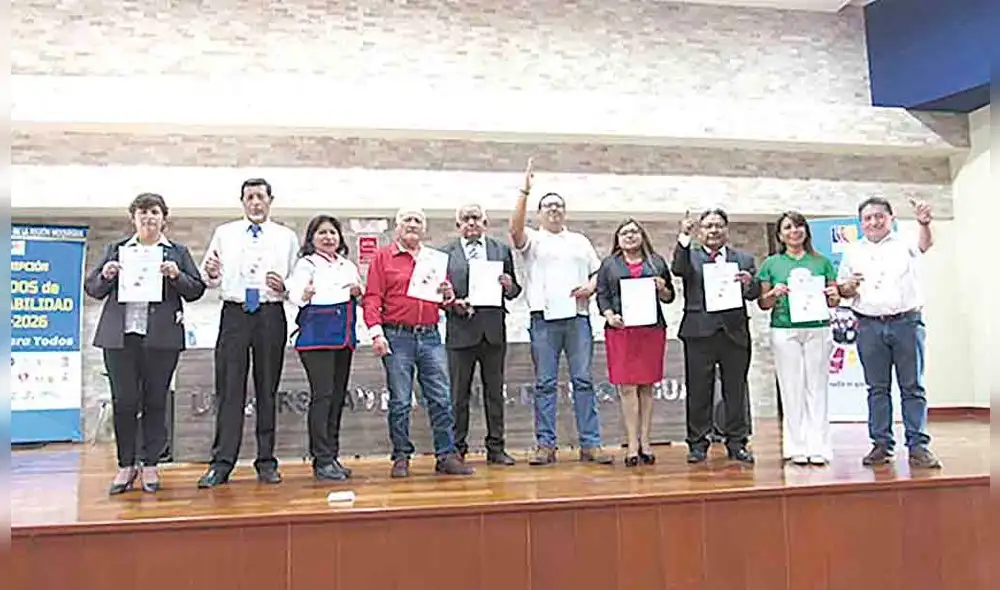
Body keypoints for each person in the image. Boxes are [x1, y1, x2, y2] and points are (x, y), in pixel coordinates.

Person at [84, 193, 206, 494]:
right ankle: (126, 465)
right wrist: (106, 273)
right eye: (142, 212)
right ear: (133, 217)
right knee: (124, 401)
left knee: (155, 400)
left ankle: (151, 463)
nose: (148, 217)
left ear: (164, 217)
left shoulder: (176, 251)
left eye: (154, 212)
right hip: (120, 337)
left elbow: (196, 290)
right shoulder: (118, 249)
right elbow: (93, 288)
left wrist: (177, 276)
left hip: (161, 338)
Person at [196, 178, 300, 488]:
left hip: (270, 314)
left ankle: (266, 460)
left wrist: (287, 287)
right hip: (235, 313)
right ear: (242, 202)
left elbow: (298, 278)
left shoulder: (286, 236)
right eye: (249, 197)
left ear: (271, 200)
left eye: (260, 197)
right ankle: (222, 462)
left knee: (267, 388)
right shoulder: (224, 233)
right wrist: (211, 274)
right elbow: (208, 275)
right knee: (229, 389)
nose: (255, 202)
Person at [509, 159, 613, 466]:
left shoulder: (579, 241)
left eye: (559, 206)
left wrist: (590, 288)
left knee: (583, 381)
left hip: (578, 319)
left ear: (564, 212)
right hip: (543, 320)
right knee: (544, 383)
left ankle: (590, 444)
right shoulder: (533, 239)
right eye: (548, 206)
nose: (554, 210)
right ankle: (545, 444)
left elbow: (599, 273)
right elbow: (514, 230)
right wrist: (525, 192)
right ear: (540, 213)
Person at [362, 207, 474, 478]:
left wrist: (448, 294)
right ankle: (401, 456)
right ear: (397, 227)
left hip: (430, 335)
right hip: (397, 336)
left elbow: (443, 299)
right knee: (400, 401)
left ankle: (446, 455)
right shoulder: (383, 257)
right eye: (407, 220)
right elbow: (372, 297)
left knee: (441, 398)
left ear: (424, 228)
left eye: (418, 221)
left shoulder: (434, 259)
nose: (412, 225)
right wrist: (376, 333)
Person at [837, 197, 941, 468]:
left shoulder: (905, 242)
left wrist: (925, 223)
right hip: (869, 325)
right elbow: (843, 289)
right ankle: (881, 445)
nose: (873, 222)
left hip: (906, 323)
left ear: (890, 218)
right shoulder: (852, 251)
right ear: (861, 223)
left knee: (913, 387)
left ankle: (918, 446)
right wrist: (847, 287)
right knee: (877, 388)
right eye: (867, 218)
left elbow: (925, 244)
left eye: (879, 217)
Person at [672, 208, 760, 464]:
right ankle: (698, 444)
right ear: (700, 231)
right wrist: (683, 237)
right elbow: (678, 269)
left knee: (736, 391)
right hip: (699, 333)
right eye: (708, 226)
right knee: (699, 391)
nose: (714, 231)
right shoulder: (691, 256)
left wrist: (748, 283)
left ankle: (737, 443)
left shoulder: (743, 259)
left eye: (719, 226)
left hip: (734, 333)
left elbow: (754, 292)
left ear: (727, 230)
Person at [440, 204, 521, 465]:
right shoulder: (445, 254)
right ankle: (456, 449)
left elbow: (514, 290)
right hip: (460, 331)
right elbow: (438, 295)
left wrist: (509, 285)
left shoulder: (501, 250)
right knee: (458, 395)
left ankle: (496, 447)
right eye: (466, 219)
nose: (471, 223)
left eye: (476, 218)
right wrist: (453, 303)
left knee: (494, 393)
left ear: (485, 223)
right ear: (458, 225)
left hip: (493, 332)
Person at [757, 211, 840, 466]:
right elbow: (763, 303)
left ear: (806, 231)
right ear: (780, 235)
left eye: (799, 226)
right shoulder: (771, 264)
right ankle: (796, 446)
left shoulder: (822, 262)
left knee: (817, 387)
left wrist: (832, 295)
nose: (794, 231)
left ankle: (820, 446)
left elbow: (834, 298)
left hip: (818, 326)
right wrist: (773, 292)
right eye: (788, 228)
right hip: (784, 328)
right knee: (791, 387)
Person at [285, 215, 363, 481]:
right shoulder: (306, 265)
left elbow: (359, 295)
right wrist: (303, 295)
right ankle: (321, 459)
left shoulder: (347, 265)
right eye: (322, 233)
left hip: (343, 338)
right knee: (323, 396)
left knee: (337, 398)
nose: (328, 237)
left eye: (332, 232)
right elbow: (294, 295)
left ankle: (332, 454)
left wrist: (358, 291)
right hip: (316, 339)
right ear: (312, 238)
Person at [595, 218, 675, 467]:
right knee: (627, 387)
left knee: (647, 386)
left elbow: (669, 296)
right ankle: (631, 443)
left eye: (634, 232)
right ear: (617, 239)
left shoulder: (656, 262)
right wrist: (608, 315)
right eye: (624, 233)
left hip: (650, 330)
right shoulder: (609, 264)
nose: (629, 236)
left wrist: (662, 288)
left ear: (642, 236)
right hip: (621, 331)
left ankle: (646, 441)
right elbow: (602, 295)